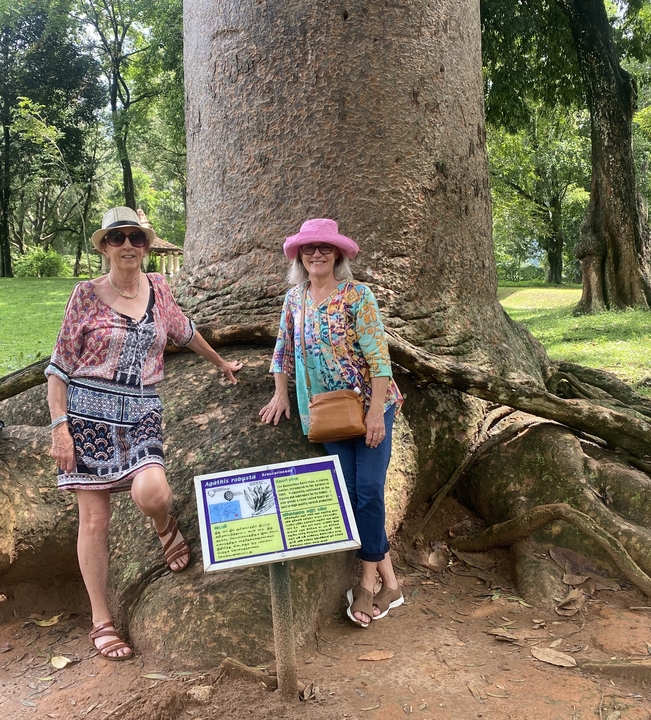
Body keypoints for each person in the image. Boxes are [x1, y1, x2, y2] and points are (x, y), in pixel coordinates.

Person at [46, 206, 242, 661]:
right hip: (86, 415)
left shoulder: (160, 289)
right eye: (118, 238)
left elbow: (185, 331)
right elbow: (58, 367)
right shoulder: (85, 296)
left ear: (147, 245)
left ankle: (163, 523)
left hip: (140, 410)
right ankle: (102, 620)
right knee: (94, 521)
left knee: (152, 491)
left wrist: (221, 362)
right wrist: (60, 429)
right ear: (105, 247)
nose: (129, 246)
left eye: (137, 238)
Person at [259, 218, 404, 628]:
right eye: (309, 249)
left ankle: (366, 584)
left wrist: (376, 413)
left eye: (324, 247)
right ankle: (391, 581)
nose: (317, 254)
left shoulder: (358, 296)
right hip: (326, 413)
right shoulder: (294, 300)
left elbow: (379, 359)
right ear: (300, 257)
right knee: (354, 495)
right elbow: (282, 350)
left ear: (337, 253)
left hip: (370, 407)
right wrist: (280, 393)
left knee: (370, 491)